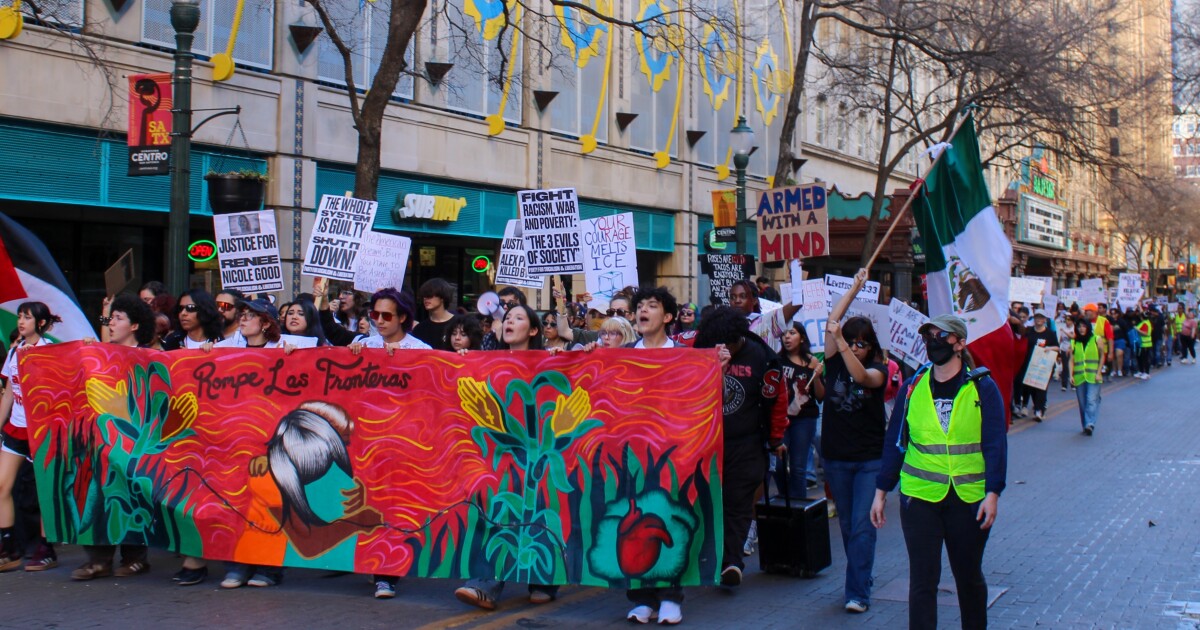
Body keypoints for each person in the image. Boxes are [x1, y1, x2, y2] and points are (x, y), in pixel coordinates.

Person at [871, 314, 1007, 630]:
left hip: (969, 500)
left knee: (969, 578)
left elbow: (995, 445)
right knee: (922, 581)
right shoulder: (912, 387)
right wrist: (881, 492)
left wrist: (993, 493)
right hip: (919, 499)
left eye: (940, 335)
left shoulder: (983, 389)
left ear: (959, 343)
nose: (932, 340)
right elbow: (895, 442)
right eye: (928, 335)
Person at [454, 304, 557, 609]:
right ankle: (486, 582)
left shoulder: (549, 361)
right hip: (498, 451)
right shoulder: (485, 361)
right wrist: (460, 362)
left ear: (534, 331)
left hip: (538, 452)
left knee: (539, 506)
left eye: (519, 318)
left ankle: (543, 579)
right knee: (496, 508)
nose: (510, 321)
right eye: (507, 318)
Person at [692, 307, 788, 591]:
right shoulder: (700, 349)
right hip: (706, 441)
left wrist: (775, 439)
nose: (723, 350)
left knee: (738, 504)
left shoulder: (764, 359)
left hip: (746, 443)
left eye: (728, 345)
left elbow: (777, 401)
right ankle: (708, 555)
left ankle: (731, 562)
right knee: (708, 502)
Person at [72, 295, 156, 580]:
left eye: (118, 318)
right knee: (97, 495)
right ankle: (98, 559)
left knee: (132, 496)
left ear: (134, 326)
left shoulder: (150, 356)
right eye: (109, 319)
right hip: (100, 441)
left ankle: (135, 557)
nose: (111, 324)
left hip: (134, 441)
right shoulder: (96, 354)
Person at [821, 268, 888, 614]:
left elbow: (861, 376)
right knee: (847, 525)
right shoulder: (831, 362)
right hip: (836, 458)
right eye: (852, 340)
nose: (856, 347)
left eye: (863, 343)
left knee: (863, 525)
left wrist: (845, 343)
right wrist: (855, 288)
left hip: (869, 459)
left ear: (871, 345)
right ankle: (860, 576)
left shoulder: (879, 369)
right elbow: (833, 319)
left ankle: (857, 591)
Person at [0, 302, 62, 572]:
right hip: (16, 426)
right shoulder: (14, 351)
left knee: (43, 490)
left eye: (27, 317)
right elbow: (9, 394)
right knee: (2, 485)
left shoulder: (49, 351)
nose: (21, 322)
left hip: (42, 430)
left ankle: (46, 547)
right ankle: (8, 546)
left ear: (40, 323)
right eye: (20, 317)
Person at [776, 322, 823, 499]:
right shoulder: (776, 360)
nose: (787, 337)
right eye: (784, 334)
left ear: (802, 338)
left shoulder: (812, 361)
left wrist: (817, 378)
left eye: (792, 333)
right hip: (781, 418)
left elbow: (820, 396)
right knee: (777, 465)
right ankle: (785, 497)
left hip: (804, 420)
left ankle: (798, 507)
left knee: (798, 467)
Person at [728, 279, 799, 352]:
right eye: (733, 297)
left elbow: (797, 302)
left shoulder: (766, 322)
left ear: (754, 301)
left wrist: (795, 273)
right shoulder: (724, 325)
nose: (737, 300)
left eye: (743, 296)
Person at [1016, 310, 1058, 422]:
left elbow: (1057, 347)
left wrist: (1048, 348)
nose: (1039, 320)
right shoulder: (1028, 331)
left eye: (1041, 317)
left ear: (1045, 319)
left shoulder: (1050, 333)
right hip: (1029, 364)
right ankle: (1026, 405)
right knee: (1028, 386)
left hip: (1043, 366)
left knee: (1041, 388)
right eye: (1037, 317)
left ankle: (1039, 410)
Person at [1071, 318, 1102, 436]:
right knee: (1082, 402)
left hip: (1093, 375)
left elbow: (1102, 355)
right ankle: (1085, 424)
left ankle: (1090, 423)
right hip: (1079, 376)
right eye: (1079, 326)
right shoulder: (1075, 342)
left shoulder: (1096, 339)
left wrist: (1099, 372)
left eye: (1084, 326)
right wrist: (1071, 375)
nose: (1081, 329)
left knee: (1090, 400)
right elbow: (1071, 360)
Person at [411, 278, 456, 350]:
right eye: (424, 296)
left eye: (429, 295)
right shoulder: (420, 329)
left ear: (442, 298)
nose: (425, 299)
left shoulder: (460, 324)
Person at [1134, 312, 1153, 380]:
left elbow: (1145, 333)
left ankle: (1147, 373)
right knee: (1140, 358)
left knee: (1145, 359)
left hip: (1145, 344)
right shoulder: (1144, 322)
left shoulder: (1145, 323)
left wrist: (1137, 329)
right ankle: (1141, 371)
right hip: (1141, 344)